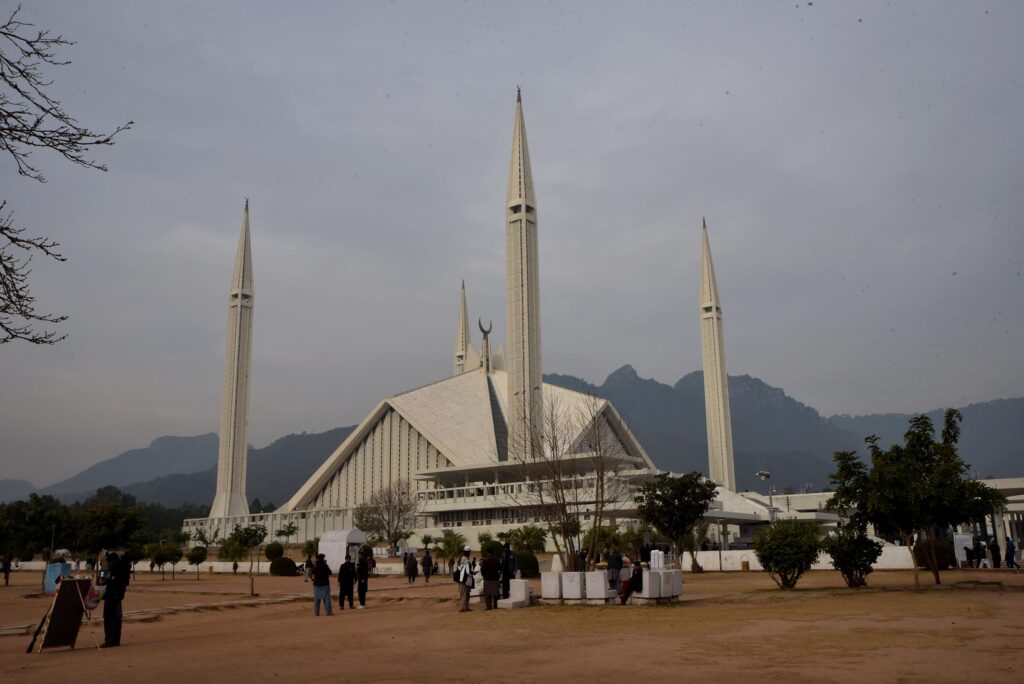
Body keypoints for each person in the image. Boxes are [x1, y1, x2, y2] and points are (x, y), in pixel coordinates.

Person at [100, 552, 129, 648]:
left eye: (109, 562)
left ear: (114, 562)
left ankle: (110, 640)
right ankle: (115, 640)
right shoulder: (120, 569)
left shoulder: (118, 570)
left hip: (113, 597)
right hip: (116, 597)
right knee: (116, 619)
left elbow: (111, 582)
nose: (107, 564)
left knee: (110, 619)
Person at [455, 546, 476, 613]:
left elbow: (459, 569)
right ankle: (462, 608)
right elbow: (467, 571)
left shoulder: (462, 558)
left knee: (466, 594)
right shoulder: (466, 560)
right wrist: (473, 573)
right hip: (466, 580)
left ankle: (466, 607)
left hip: (463, 580)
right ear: (468, 552)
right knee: (464, 594)